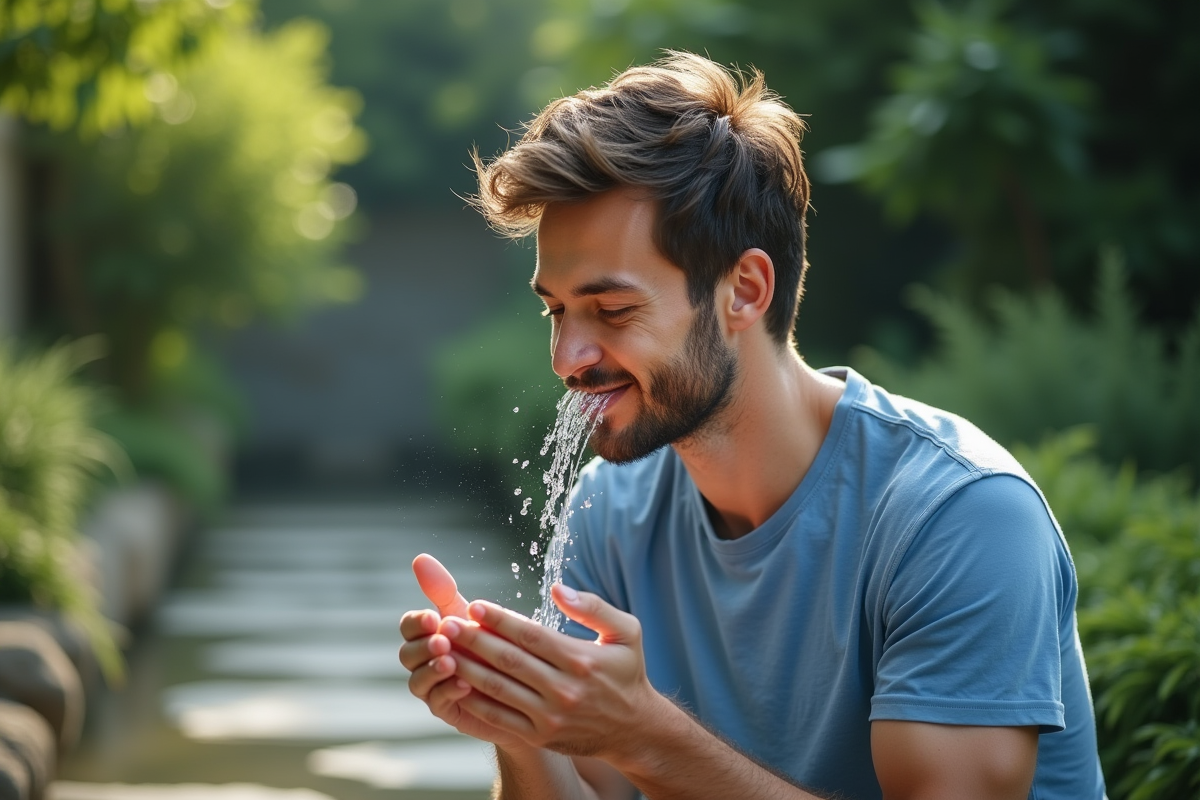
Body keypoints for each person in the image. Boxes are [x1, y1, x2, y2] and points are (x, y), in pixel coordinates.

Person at [398, 52, 1106, 800]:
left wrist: (643, 734)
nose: (567, 358)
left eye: (612, 310)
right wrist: (517, 723)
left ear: (745, 290)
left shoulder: (958, 516)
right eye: (557, 311)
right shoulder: (612, 510)